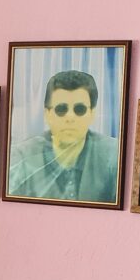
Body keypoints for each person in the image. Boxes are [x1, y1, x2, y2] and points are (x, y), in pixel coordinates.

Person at [7, 70, 119, 202]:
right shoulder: (22, 157)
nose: (70, 117)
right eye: (61, 109)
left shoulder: (114, 154)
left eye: (79, 109)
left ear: (92, 114)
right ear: (47, 114)